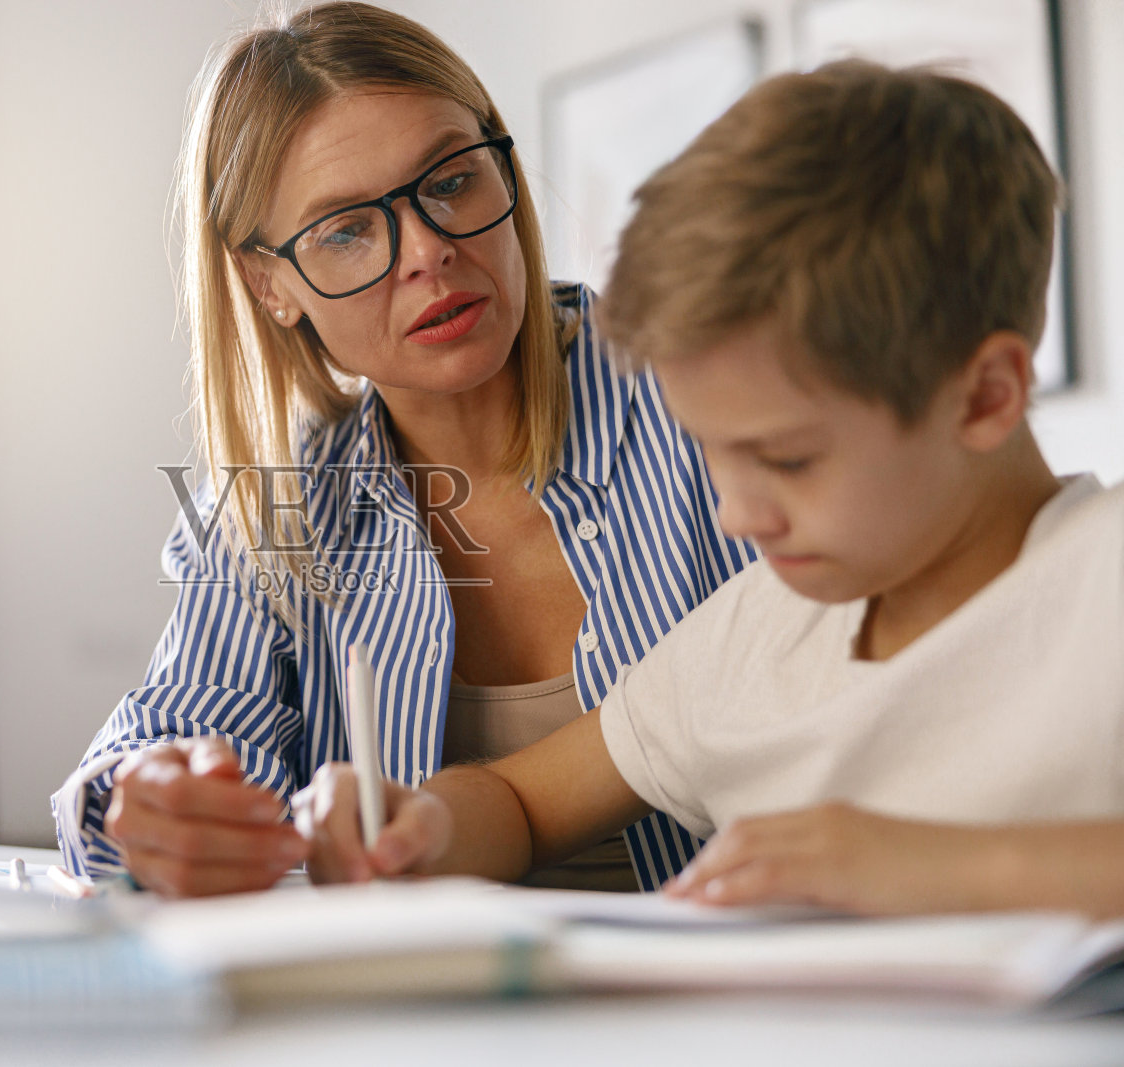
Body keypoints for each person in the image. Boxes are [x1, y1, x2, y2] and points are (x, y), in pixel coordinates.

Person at [297, 60, 1124, 918]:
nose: (735, 512)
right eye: (714, 453)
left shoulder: (1101, 575)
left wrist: (933, 866)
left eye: (789, 458)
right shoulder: (752, 635)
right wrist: (422, 824)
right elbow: (520, 804)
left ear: (987, 395)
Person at [49, 2, 753, 897]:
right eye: (346, 229)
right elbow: (155, 747)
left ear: (504, 165)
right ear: (270, 285)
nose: (429, 250)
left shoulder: (715, 400)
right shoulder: (274, 512)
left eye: (452, 180)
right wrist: (142, 808)